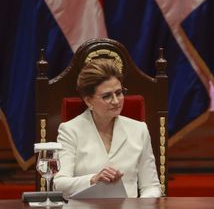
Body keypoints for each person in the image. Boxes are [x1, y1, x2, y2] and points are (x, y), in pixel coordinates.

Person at [54, 59, 161, 198]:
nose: (116, 101)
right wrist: (92, 179)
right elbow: (59, 183)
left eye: (119, 92)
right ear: (88, 100)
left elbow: (151, 187)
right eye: (107, 96)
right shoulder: (70, 130)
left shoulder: (139, 129)